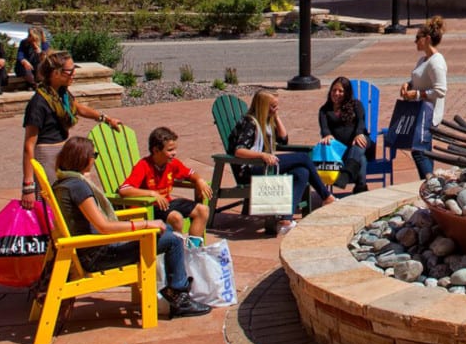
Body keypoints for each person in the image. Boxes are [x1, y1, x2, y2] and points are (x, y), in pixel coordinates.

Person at [49, 137, 210, 319]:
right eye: (93, 155)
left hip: (86, 250)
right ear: (83, 158)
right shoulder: (78, 187)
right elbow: (104, 226)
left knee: (166, 231)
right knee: (172, 240)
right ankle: (180, 296)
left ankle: (176, 290)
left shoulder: (63, 183)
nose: (94, 159)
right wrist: (146, 223)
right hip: (98, 255)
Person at [21, 51, 120, 213]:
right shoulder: (38, 103)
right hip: (46, 156)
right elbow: (29, 146)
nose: (74, 74)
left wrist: (106, 119)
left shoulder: (62, 94)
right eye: (70, 71)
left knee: (68, 200)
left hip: (63, 152)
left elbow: (78, 108)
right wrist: (28, 185)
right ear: (55, 73)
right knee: (51, 204)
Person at [229, 89, 331, 235]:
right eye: (273, 106)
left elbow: (283, 139)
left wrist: (276, 116)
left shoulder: (267, 121)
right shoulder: (249, 123)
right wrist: (262, 155)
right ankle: (326, 196)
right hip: (250, 170)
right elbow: (239, 151)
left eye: (277, 105)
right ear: (263, 106)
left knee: (302, 172)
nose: (276, 108)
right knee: (303, 158)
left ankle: (286, 219)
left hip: (266, 166)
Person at [119, 126, 212, 241]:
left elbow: (190, 173)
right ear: (156, 150)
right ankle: (177, 252)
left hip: (166, 204)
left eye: (174, 149)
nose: (174, 153)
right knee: (176, 217)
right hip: (150, 208)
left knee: (203, 210)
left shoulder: (172, 163)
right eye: (170, 150)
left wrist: (199, 180)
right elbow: (124, 189)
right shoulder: (143, 166)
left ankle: (193, 251)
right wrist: (152, 194)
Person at [401, 16, 447, 179]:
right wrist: (409, 85)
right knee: (424, 150)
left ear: (427, 39)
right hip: (418, 112)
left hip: (428, 114)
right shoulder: (423, 59)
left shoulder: (436, 62)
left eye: (417, 38)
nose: (415, 42)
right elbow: (419, 80)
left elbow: (440, 90)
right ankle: (428, 183)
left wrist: (419, 94)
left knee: (418, 150)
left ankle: (430, 182)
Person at [316, 76, 371, 195]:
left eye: (341, 91)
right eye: (334, 90)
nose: (336, 93)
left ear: (347, 93)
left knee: (359, 144)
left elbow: (361, 123)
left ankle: (346, 174)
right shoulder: (324, 110)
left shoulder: (356, 105)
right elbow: (324, 128)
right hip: (340, 150)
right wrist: (327, 135)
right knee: (361, 159)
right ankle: (361, 187)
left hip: (361, 141)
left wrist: (358, 134)